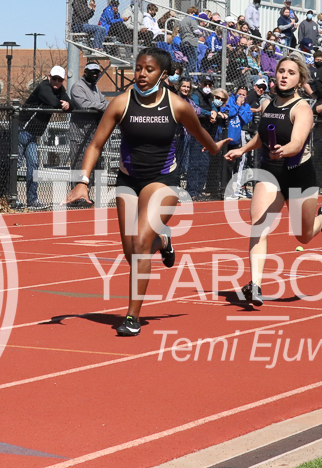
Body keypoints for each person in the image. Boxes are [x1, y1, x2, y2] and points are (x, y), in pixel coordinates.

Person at [66, 48, 228, 336]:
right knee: (132, 251)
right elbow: (95, 145)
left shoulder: (177, 105)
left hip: (163, 180)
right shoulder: (121, 103)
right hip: (128, 180)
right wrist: (82, 181)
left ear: (163, 75)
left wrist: (216, 148)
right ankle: (163, 240)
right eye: (138, 68)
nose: (141, 74)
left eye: (148, 69)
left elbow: (200, 133)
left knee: (140, 243)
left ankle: (131, 317)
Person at [224, 55, 322, 305]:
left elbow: (296, 142)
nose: (284, 75)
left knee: (302, 236)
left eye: (291, 72)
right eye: (281, 71)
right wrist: (243, 149)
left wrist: (283, 150)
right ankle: (256, 285)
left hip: (298, 173)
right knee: (258, 223)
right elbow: (262, 138)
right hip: (270, 172)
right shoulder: (267, 105)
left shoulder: (302, 108)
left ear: (300, 79)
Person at [21, 65, 72, 208]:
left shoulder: (60, 90)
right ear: (49, 77)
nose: (56, 82)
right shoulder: (43, 87)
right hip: (21, 130)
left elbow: (71, 105)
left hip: (33, 134)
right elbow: (54, 103)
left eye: (59, 80)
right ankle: (11, 198)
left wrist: (68, 104)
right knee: (16, 164)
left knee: (33, 166)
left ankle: (32, 200)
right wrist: (63, 103)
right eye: (54, 78)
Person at [68, 62, 109, 169]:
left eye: (97, 73)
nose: (95, 75)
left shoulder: (95, 88)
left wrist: (107, 106)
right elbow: (84, 105)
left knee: (94, 165)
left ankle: (90, 186)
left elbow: (105, 102)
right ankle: (77, 186)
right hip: (79, 135)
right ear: (85, 72)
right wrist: (102, 107)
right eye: (92, 72)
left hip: (93, 134)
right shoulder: (78, 87)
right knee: (79, 165)